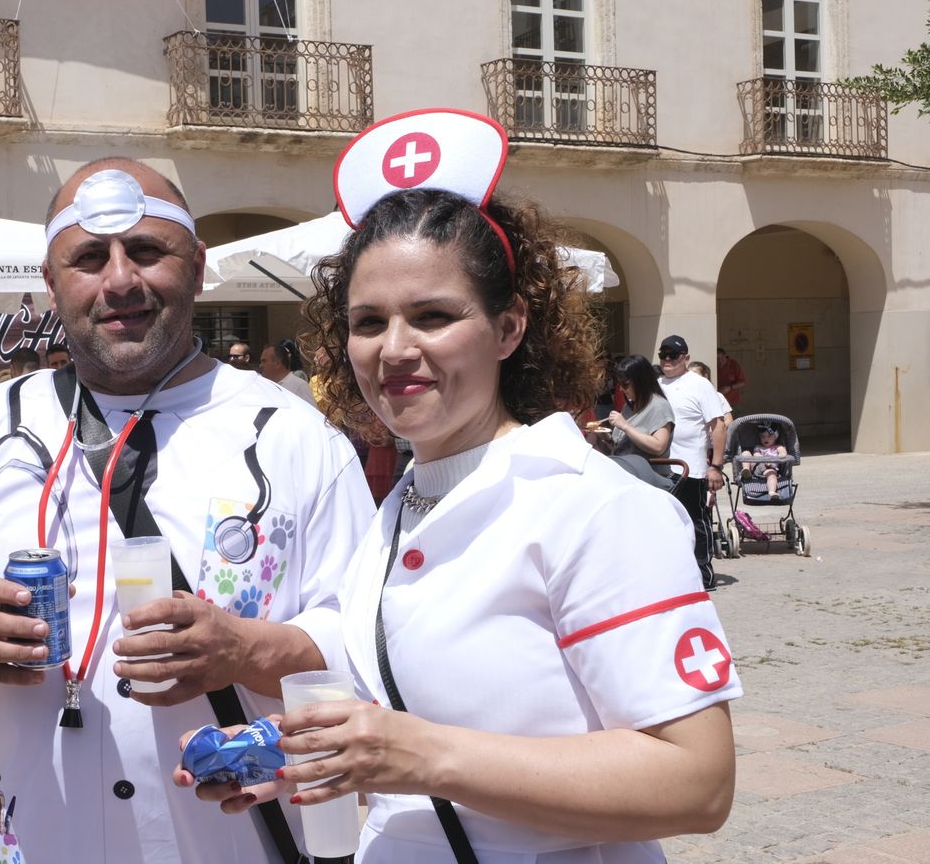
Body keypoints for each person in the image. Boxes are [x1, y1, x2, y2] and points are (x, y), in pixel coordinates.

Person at [179, 108, 740, 862]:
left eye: (434, 315)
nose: (395, 349)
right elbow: (405, 704)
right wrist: (295, 744)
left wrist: (417, 756)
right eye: (369, 321)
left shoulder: (595, 506)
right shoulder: (407, 500)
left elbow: (697, 780)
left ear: (509, 328)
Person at [0, 158, 374, 862]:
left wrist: (244, 650)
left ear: (197, 267)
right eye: (89, 257)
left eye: (148, 251)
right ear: (50, 280)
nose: (120, 279)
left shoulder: (295, 436)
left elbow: (371, 651)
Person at [658, 335, 727, 591]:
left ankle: (703, 575)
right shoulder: (656, 385)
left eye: (673, 355)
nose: (667, 360)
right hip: (661, 467)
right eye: (663, 354)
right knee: (666, 522)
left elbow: (718, 426)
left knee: (696, 520)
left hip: (692, 469)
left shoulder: (699, 385)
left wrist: (716, 466)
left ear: (685, 358)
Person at [605, 354, 678, 490]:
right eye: (620, 385)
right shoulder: (630, 406)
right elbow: (623, 447)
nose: (621, 390)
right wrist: (604, 438)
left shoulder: (659, 406)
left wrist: (625, 426)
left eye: (625, 385)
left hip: (648, 478)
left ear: (641, 381)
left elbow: (658, 446)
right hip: (625, 474)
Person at [258, 339, 317, 406]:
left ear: (277, 363)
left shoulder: (299, 386)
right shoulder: (265, 386)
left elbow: (311, 413)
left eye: (264, 361)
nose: (260, 365)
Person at [742, 421, 789, 496]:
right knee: (745, 453)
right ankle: (746, 470)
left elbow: (783, 454)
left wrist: (776, 458)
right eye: (762, 436)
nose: (765, 439)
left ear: (775, 437)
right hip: (756, 467)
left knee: (772, 475)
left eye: (769, 436)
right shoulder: (758, 447)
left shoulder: (778, 447)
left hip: (770, 468)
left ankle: (772, 492)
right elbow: (756, 454)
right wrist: (764, 460)